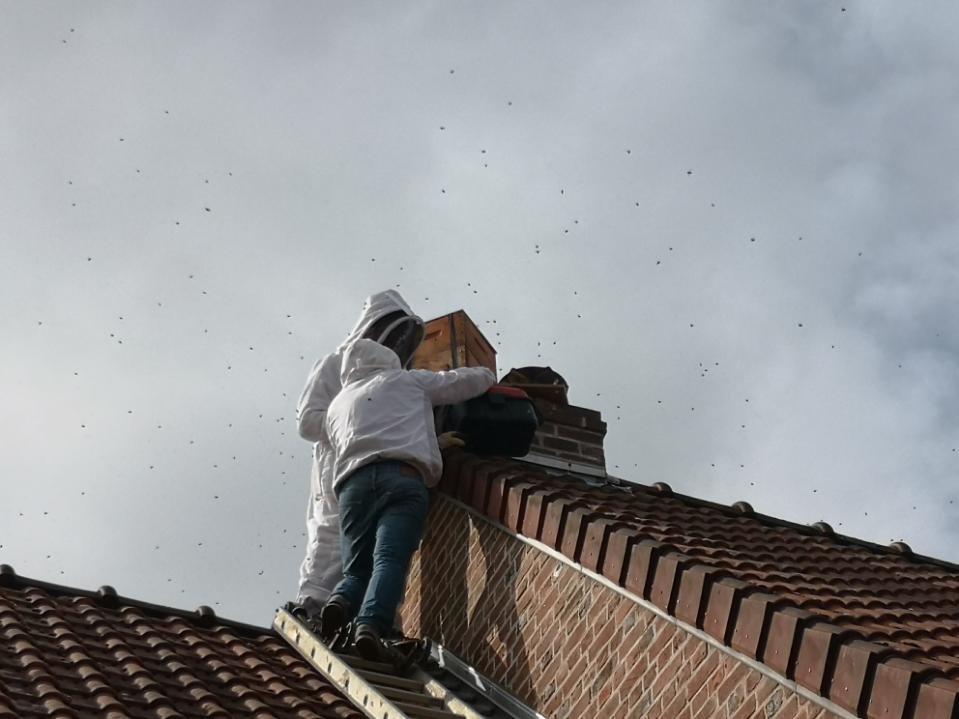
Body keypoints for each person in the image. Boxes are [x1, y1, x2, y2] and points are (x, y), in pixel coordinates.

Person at [319, 337, 495, 659]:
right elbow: (456, 383)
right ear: (386, 359)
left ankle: (339, 601)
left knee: (356, 570)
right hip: (401, 478)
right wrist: (488, 375)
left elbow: (355, 443)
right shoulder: (404, 380)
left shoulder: (337, 406)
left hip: (352, 488)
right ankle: (370, 626)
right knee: (389, 559)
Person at [293, 290, 426, 621]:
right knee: (330, 532)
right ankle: (313, 607)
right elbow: (308, 422)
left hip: (373, 464)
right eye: (393, 335)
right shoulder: (333, 365)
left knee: (379, 543)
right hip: (335, 463)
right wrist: (352, 423)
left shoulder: (390, 377)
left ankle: (367, 612)